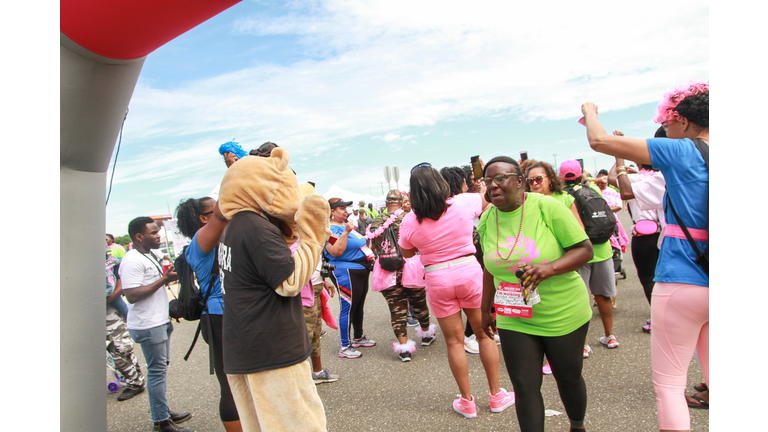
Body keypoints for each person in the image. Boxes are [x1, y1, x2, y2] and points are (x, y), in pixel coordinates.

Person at [581, 80, 709, 431]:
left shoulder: (683, 150)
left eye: (668, 122)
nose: (665, 130)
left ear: (682, 121)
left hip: (683, 277)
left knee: (669, 387)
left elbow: (599, 142)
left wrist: (590, 112)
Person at [478, 156, 593, 432]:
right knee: (525, 386)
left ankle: (577, 426)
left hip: (562, 310)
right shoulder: (486, 219)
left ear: (520, 181)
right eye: (487, 181)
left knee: (568, 378)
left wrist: (549, 268)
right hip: (514, 315)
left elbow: (584, 250)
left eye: (500, 179)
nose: (492, 186)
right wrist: (484, 309)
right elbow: (488, 268)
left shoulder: (547, 207)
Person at [217, 150, 329, 431]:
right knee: (299, 423)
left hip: (245, 349)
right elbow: (290, 281)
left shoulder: (234, 228)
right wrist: (313, 235)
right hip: (273, 350)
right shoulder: (255, 227)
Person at [399, 163, 514, 419]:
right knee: (484, 334)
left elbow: (407, 253)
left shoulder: (409, 220)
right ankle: (496, 395)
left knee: (454, 341)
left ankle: (467, 401)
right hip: (468, 270)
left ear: (413, 193)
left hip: (437, 276)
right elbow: (489, 200)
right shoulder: (463, 202)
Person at [119, 217, 193, 432]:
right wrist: (164, 280)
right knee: (157, 372)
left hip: (159, 321)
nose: (158, 235)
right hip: (148, 325)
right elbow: (131, 295)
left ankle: (163, 411)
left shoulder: (150, 254)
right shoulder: (132, 260)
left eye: (157, 231)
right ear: (139, 237)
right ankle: (161, 423)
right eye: (153, 233)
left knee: (160, 370)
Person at [175, 197, 242, 432]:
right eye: (215, 208)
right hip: (220, 318)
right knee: (231, 384)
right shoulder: (200, 242)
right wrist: (236, 169)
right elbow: (226, 209)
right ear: (205, 218)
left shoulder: (226, 238)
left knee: (250, 380)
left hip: (238, 314)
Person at [525, 161, 595, 361]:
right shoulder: (527, 203)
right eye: (530, 181)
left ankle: (581, 343)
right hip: (538, 265)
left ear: (550, 179)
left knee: (571, 304)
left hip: (564, 262)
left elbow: (579, 233)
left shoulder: (564, 199)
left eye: (539, 179)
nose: (534, 184)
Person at [608, 127, 667, 332]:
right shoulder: (662, 176)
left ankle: (659, 318)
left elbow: (611, 178)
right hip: (664, 233)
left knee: (648, 278)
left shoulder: (637, 179)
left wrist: (621, 157)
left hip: (643, 236)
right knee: (667, 278)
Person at [369, 190, 436, 362]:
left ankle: (404, 349)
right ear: (401, 202)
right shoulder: (409, 218)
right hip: (411, 266)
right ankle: (427, 334)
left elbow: (373, 246)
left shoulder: (376, 222)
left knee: (396, 309)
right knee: (419, 303)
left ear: (386, 203)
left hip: (386, 269)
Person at [560, 159, 621, 352]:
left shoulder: (561, 196)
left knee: (580, 299)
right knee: (603, 295)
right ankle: (610, 336)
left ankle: (584, 345)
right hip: (602, 249)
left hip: (577, 253)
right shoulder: (593, 188)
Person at [324, 197, 375, 358]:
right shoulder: (328, 229)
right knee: (348, 307)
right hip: (344, 271)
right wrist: (346, 231)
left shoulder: (345, 225)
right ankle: (345, 346)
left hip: (361, 269)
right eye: (342, 208)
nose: (346, 211)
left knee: (358, 304)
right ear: (332, 211)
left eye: (346, 208)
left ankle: (358, 337)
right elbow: (336, 251)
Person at [105, 248, 146, 402]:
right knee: (118, 350)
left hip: (109, 312)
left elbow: (120, 285)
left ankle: (135, 382)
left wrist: (104, 302)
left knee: (120, 349)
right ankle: (135, 380)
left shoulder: (111, 263)